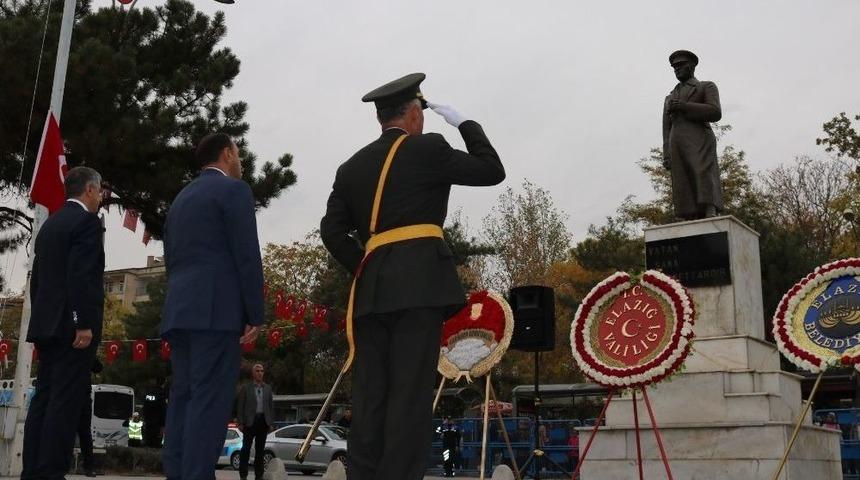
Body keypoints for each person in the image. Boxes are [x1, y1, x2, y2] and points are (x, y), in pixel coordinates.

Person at [320, 72, 505, 480]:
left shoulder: (350, 167)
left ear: (379, 119)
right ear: (415, 113)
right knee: (409, 397)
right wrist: (466, 124)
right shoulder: (429, 148)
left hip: (371, 292)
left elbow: (331, 231)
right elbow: (492, 170)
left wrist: (366, 265)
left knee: (370, 397)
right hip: (419, 287)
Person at [160, 133, 264, 480]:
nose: (240, 161)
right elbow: (246, 255)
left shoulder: (181, 199)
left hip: (181, 310)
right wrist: (254, 313)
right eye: (238, 153)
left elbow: (172, 258)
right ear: (225, 154)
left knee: (184, 400)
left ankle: (177, 473)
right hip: (216, 312)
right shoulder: (235, 191)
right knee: (209, 402)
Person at [22, 166, 105, 480]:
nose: (100, 197)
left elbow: (38, 279)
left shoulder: (51, 224)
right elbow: (82, 277)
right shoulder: (87, 223)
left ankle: (33, 469)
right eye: (99, 191)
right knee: (64, 403)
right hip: (73, 331)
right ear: (88, 190)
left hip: (47, 325)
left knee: (43, 400)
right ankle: (51, 471)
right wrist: (82, 322)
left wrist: (44, 319)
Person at [662, 49, 724, 220]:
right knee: (681, 177)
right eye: (674, 67)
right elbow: (666, 127)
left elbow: (715, 111)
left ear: (692, 66)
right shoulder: (669, 97)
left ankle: (709, 207)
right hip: (677, 140)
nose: (677, 69)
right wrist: (666, 153)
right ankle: (684, 212)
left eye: (681, 65)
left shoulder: (706, 86)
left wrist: (684, 106)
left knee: (702, 171)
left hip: (700, 138)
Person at [236, 363, 274, 480]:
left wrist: (270, 423)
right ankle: (243, 475)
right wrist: (240, 422)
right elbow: (240, 406)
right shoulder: (246, 388)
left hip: (263, 422)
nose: (260, 373)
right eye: (257, 371)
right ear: (253, 373)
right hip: (249, 423)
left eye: (261, 371)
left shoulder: (267, 389)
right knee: (245, 450)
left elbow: (270, 407)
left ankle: (259, 475)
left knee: (260, 451)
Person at [77, 358, 103, 477]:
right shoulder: (85, 351)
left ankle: (60, 465)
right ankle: (88, 467)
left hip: (73, 396)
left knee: (77, 433)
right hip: (82, 395)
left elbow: (98, 367)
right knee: (85, 434)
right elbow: (98, 367)